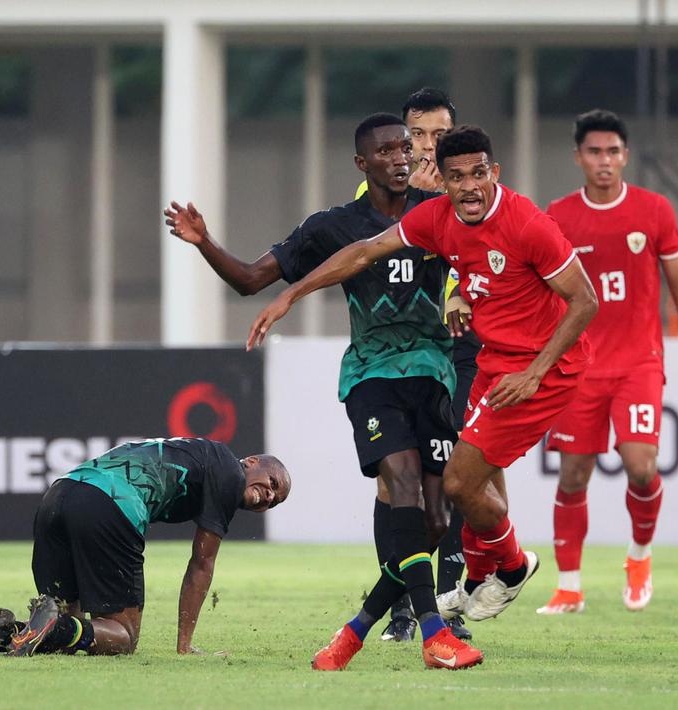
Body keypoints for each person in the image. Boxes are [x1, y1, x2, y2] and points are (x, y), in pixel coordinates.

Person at [246, 125, 598, 668]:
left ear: (494, 173)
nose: (468, 186)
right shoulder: (435, 219)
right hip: (487, 367)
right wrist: (291, 293)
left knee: (457, 485)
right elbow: (364, 252)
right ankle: (487, 574)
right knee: (449, 498)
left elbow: (585, 301)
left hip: (540, 373)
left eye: (478, 173)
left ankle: (497, 570)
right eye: (456, 176)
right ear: (445, 182)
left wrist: (534, 373)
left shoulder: (527, 223)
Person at [165, 113, 479, 669]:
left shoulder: (439, 214)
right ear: (362, 164)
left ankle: (353, 633)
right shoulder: (332, 226)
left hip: (435, 372)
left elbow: (479, 268)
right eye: (385, 152)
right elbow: (248, 280)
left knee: (434, 518)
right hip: (372, 374)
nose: (400, 159)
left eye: (404, 149)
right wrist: (204, 241)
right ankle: (435, 634)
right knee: (401, 484)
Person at [538, 109, 678, 615]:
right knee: (574, 475)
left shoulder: (654, 210)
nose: (605, 160)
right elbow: (543, 289)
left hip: (639, 361)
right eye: (594, 152)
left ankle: (639, 557)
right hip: (578, 366)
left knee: (641, 467)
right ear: (579, 157)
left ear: (625, 156)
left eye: (613, 151)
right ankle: (569, 586)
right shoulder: (558, 215)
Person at [0, 437, 290, 657]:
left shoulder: (194, 451)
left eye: (275, 500)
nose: (269, 495)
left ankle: (4, 629)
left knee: (68, 630)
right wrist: (184, 646)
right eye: (273, 483)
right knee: (122, 637)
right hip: (110, 504)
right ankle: (48, 625)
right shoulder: (228, 470)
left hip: (59, 495)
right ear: (251, 461)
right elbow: (202, 564)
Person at [356, 88, 475, 643]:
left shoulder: (471, 193)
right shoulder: (375, 197)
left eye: (439, 135)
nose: (427, 147)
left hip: (461, 353)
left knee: (456, 479)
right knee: (393, 485)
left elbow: (478, 260)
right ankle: (403, 607)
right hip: (397, 358)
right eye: (417, 135)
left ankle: (447, 608)